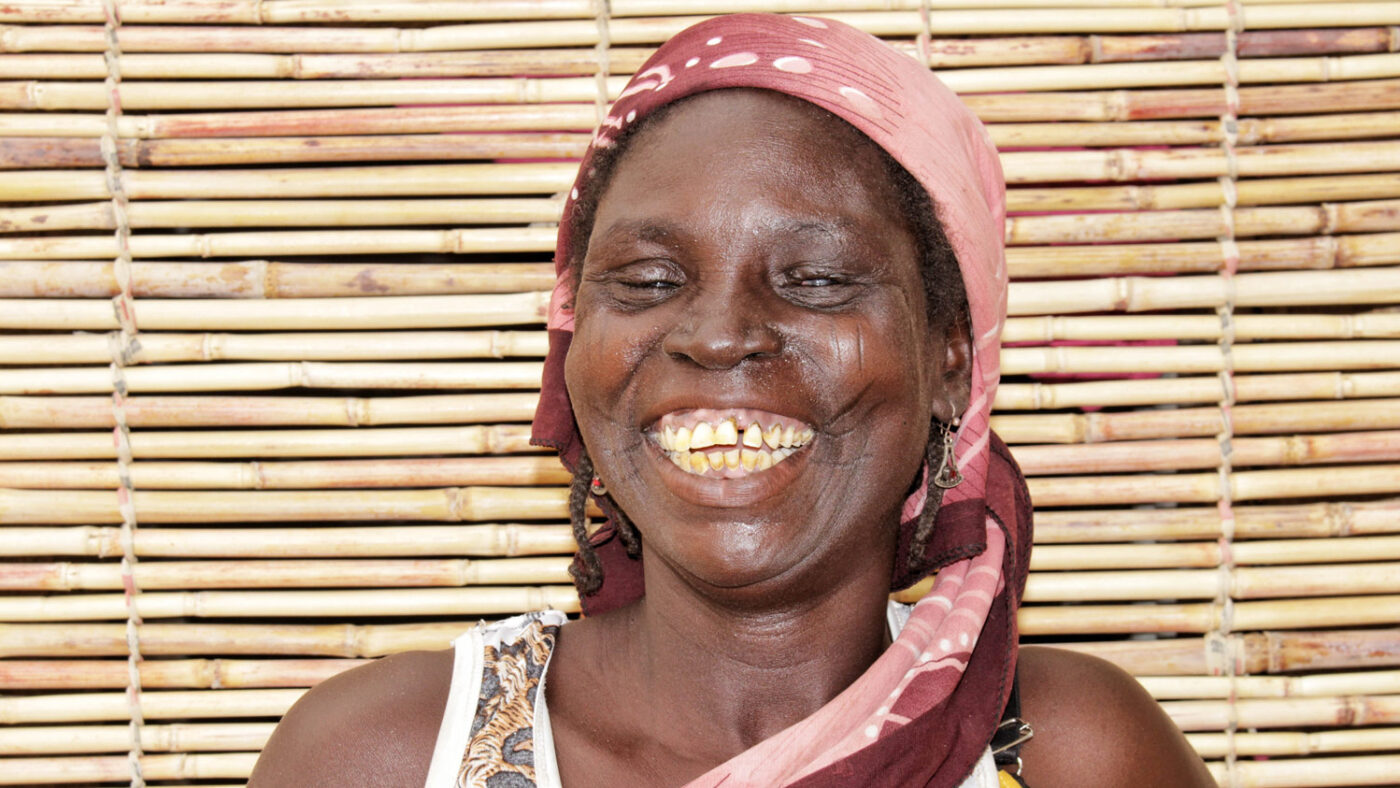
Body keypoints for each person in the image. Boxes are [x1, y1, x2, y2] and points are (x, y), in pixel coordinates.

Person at [250, 14, 1214, 787]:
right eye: (649, 279)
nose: (717, 335)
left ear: (951, 359)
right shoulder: (388, 757)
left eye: (820, 280)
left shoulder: (1062, 755)